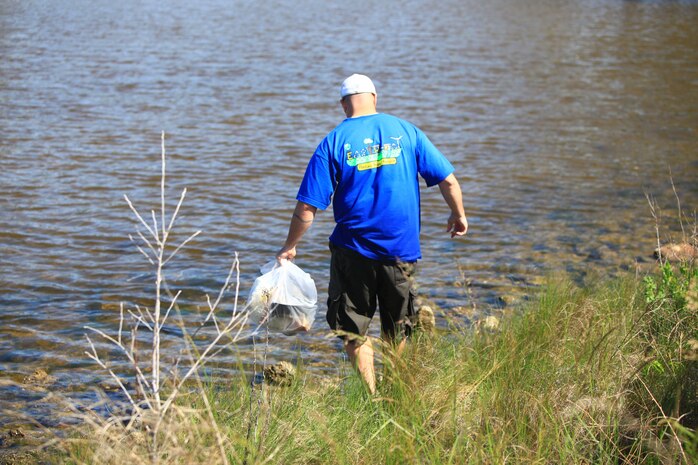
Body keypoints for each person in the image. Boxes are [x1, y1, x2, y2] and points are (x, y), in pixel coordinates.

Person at [277, 74, 467, 394]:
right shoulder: (407, 131)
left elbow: (307, 209)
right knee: (399, 328)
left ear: (343, 105)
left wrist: (289, 246)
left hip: (353, 253)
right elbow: (447, 180)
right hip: (401, 251)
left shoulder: (333, 142)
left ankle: (371, 397)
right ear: (375, 98)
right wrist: (458, 214)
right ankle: (398, 393)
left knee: (352, 329)